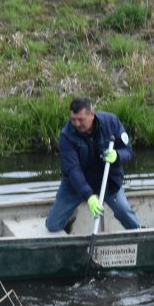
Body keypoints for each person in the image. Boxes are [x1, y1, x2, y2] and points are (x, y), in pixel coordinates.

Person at [45, 97, 141, 233]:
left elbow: (128, 151)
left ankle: (140, 234)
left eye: (80, 119)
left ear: (92, 114)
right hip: (76, 186)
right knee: (53, 225)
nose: (76, 124)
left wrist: (117, 156)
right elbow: (73, 170)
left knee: (125, 212)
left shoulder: (111, 122)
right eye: (73, 119)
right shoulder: (66, 135)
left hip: (108, 182)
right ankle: (69, 217)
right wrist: (89, 196)